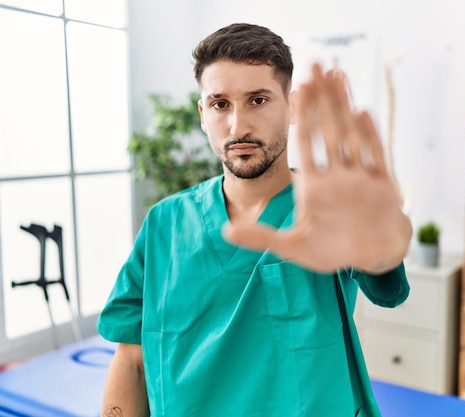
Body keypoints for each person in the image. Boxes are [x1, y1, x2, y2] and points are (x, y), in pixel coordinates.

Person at [98, 22, 412, 417]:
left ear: (292, 105)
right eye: (220, 104)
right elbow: (131, 359)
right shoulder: (165, 223)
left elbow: (382, 263)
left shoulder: (329, 209)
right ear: (202, 113)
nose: (238, 126)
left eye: (258, 100)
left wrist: (378, 234)